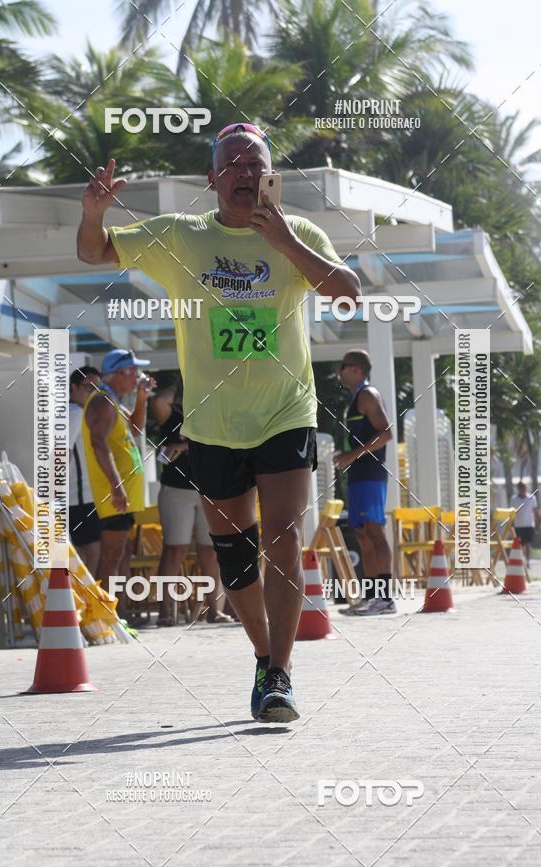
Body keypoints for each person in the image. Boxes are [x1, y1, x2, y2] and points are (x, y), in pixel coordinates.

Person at [77, 122, 361, 722]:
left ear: (270, 175)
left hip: (285, 411)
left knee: (283, 538)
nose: (244, 173)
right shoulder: (181, 237)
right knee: (234, 556)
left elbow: (347, 293)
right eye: (232, 164)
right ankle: (263, 656)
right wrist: (93, 213)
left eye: (255, 163)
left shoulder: (298, 234)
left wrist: (284, 240)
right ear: (212, 179)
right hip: (212, 425)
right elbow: (93, 251)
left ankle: (280, 673)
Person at [151, 379, 233, 626]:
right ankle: (165, 611)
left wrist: (185, 445)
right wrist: (183, 381)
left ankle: (214, 610)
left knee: (210, 551)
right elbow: (158, 400)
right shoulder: (173, 411)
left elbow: (224, 441)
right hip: (177, 490)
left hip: (209, 489)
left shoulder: (214, 410)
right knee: (175, 549)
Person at [81, 348, 155, 612]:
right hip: (113, 495)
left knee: (118, 556)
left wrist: (142, 396)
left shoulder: (111, 400)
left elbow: (135, 428)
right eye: (134, 371)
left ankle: (110, 613)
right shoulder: (102, 401)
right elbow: (98, 443)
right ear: (120, 372)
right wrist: (116, 486)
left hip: (121, 495)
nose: (138, 376)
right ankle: (101, 616)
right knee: (110, 558)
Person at [333, 350, 395, 615]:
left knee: (375, 531)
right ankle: (371, 597)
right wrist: (347, 455)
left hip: (371, 474)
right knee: (362, 534)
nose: (339, 371)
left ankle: (386, 598)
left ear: (356, 370)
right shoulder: (355, 398)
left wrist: (353, 454)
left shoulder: (368, 395)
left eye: (343, 366)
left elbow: (386, 433)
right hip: (358, 475)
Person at [69, 366, 102, 575]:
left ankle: (83, 594)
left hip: (82, 497)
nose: (94, 392)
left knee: (84, 553)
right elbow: (60, 455)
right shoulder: (75, 414)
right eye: (88, 387)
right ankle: (86, 595)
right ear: (73, 388)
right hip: (79, 497)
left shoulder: (78, 413)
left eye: (98, 388)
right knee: (92, 552)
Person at [512, 481, 539, 566]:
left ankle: (528, 561)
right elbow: (512, 513)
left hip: (529, 524)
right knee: (520, 544)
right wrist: (511, 525)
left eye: (524, 487)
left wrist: (537, 524)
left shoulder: (532, 498)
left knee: (528, 543)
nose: (523, 489)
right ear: (518, 489)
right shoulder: (514, 499)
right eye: (521, 488)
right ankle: (522, 560)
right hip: (518, 525)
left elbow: (535, 511)